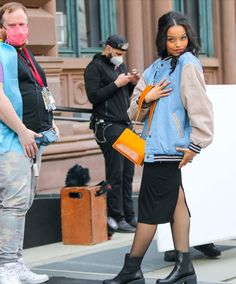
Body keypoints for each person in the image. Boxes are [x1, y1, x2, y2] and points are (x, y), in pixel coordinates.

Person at [103, 11, 213, 284]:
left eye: (182, 37)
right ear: (162, 40)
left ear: (189, 38)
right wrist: (147, 98)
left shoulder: (188, 64)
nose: (178, 43)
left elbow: (201, 108)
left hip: (169, 150)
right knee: (177, 205)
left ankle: (131, 270)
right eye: (171, 38)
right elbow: (133, 113)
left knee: (149, 211)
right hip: (155, 148)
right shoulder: (155, 68)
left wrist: (196, 144)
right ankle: (185, 267)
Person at [0, 2, 59, 284]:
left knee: (23, 202)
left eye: (23, 24)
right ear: (2, 28)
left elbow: (37, 90)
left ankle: (17, 261)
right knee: (13, 203)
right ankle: (6, 266)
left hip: (33, 140)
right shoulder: (1, 53)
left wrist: (48, 122)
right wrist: (22, 130)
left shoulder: (23, 54)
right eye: (13, 25)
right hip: (12, 140)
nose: (20, 29)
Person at [84, 34, 140, 233]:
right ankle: (117, 216)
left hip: (125, 125)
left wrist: (132, 82)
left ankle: (130, 215)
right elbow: (94, 96)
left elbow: (123, 95)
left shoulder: (120, 67)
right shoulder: (95, 67)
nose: (120, 56)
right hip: (108, 126)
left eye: (123, 53)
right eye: (117, 53)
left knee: (128, 174)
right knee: (116, 173)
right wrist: (116, 83)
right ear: (107, 48)